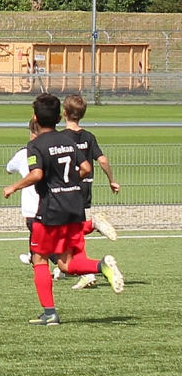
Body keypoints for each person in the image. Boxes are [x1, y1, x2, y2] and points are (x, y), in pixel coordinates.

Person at [3, 93, 124, 326]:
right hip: (75, 206)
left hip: (51, 211)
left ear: (35, 118)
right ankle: (101, 266)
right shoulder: (69, 141)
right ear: (59, 117)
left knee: (39, 259)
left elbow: (37, 174)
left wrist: (13, 186)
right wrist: (69, 182)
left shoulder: (35, 145)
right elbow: (87, 168)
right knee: (66, 264)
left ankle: (50, 312)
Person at [62, 94, 120, 290]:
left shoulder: (61, 138)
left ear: (64, 113)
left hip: (68, 187)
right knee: (73, 229)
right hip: (86, 185)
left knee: (70, 229)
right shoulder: (88, 137)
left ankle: (86, 271)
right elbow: (102, 160)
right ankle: (70, 268)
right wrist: (112, 180)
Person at [6, 118, 41, 266]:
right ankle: (31, 255)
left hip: (34, 208)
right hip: (57, 203)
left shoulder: (24, 154)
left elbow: (9, 168)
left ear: (32, 134)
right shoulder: (53, 149)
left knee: (42, 246)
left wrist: (13, 186)